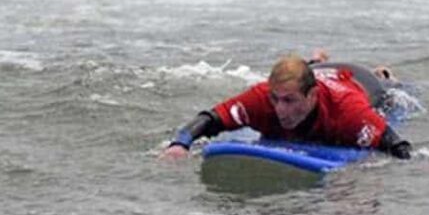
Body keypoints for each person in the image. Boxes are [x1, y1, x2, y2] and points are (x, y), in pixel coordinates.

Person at [160, 53, 412, 160]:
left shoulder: (348, 112)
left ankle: (385, 74)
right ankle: (316, 60)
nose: (280, 109)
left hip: (360, 81)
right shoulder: (261, 97)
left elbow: (395, 144)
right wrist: (179, 144)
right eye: (275, 99)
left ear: (312, 96)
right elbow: (211, 118)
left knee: (393, 95)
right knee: (300, 73)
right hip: (316, 73)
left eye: (289, 101)